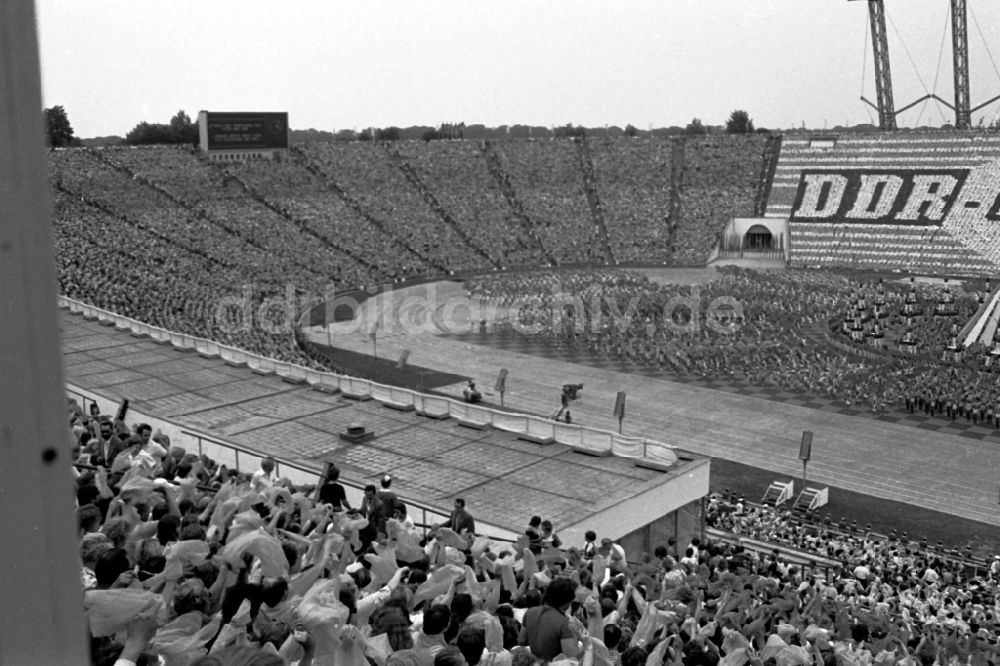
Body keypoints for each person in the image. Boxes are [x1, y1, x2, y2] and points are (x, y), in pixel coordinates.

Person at [517, 577, 581, 660]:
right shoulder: (565, 624)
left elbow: (521, 641)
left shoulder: (530, 612)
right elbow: (571, 659)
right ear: (567, 601)